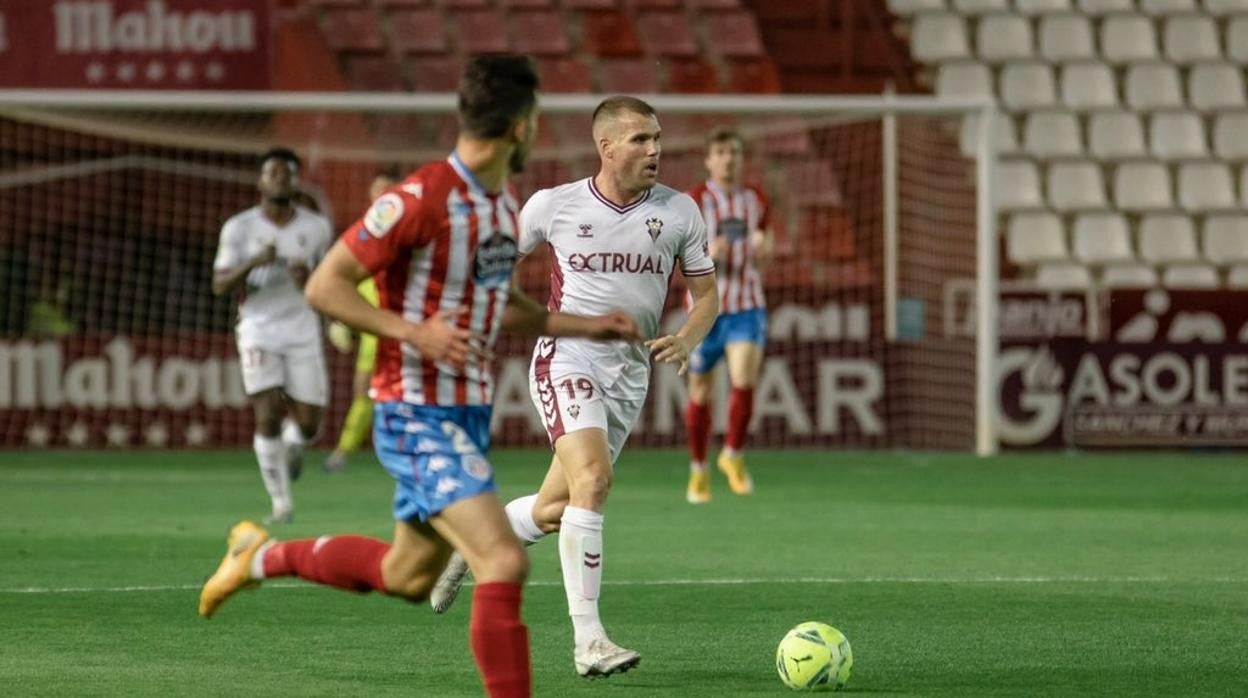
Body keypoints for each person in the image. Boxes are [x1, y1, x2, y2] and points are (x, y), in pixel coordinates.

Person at [198, 56, 638, 698]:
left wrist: (585, 326)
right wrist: (414, 332)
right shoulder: (421, 197)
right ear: (520, 127)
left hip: (462, 416)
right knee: (503, 559)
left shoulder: (496, 207)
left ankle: (257, 557)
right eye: (537, 121)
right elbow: (325, 285)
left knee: (406, 574)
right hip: (412, 413)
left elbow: (500, 305)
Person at [430, 96, 720, 679]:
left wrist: (687, 337)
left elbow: (707, 294)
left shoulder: (681, 212)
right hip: (567, 358)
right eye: (640, 139)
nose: (655, 149)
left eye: (658, 137)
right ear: (606, 146)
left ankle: (471, 543)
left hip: (629, 376)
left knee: (557, 508)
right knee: (594, 480)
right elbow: (490, 265)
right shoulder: (553, 206)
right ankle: (589, 641)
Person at [211, 147, 333, 524]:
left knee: (309, 424)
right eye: (273, 173)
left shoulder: (316, 227)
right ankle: (282, 504)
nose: (280, 178)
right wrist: (252, 262)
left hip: (302, 328)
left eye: (287, 173)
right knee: (266, 414)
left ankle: (295, 444)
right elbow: (219, 285)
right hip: (257, 329)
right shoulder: (239, 228)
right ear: (261, 180)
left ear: (296, 181)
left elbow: (329, 282)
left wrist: (306, 280)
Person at [682, 127, 775, 504]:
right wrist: (709, 256)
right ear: (708, 159)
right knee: (701, 391)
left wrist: (762, 248)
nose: (728, 158)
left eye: (734, 152)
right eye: (720, 152)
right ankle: (699, 468)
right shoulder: (694, 200)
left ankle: (733, 454)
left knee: (743, 377)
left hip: (747, 305)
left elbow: (768, 254)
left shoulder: (756, 198)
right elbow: (681, 257)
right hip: (706, 309)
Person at [323, 169, 400, 474]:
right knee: (363, 391)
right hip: (371, 327)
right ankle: (344, 450)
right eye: (375, 192)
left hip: (402, 325)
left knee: (406, 394)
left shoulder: (408, 237)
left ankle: (400, 450)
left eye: (386, 191)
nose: (379, 198)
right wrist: (346, 319)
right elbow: (341, 281)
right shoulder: (363, 237)